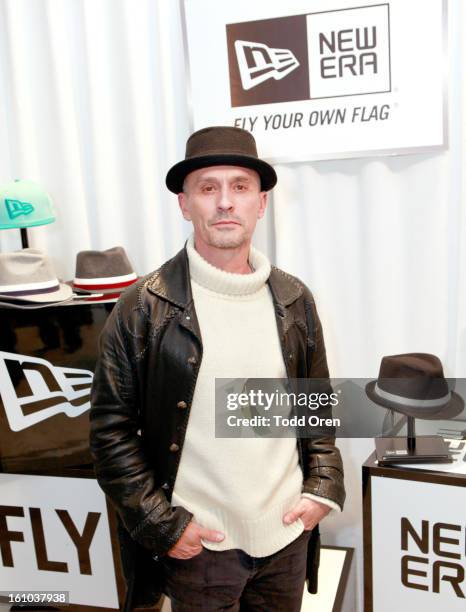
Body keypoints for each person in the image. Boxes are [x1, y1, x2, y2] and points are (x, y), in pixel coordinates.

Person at [90, 126, 345, 612]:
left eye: (240, 187)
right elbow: (110, 432)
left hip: (287, 537)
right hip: (200, 548)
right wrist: (162, 525)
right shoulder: (142, 307)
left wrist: (322, 488)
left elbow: (318, 405)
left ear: (261, 202)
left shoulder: (294, 299)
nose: (225, 202)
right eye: (208, 188)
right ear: (185, 204)